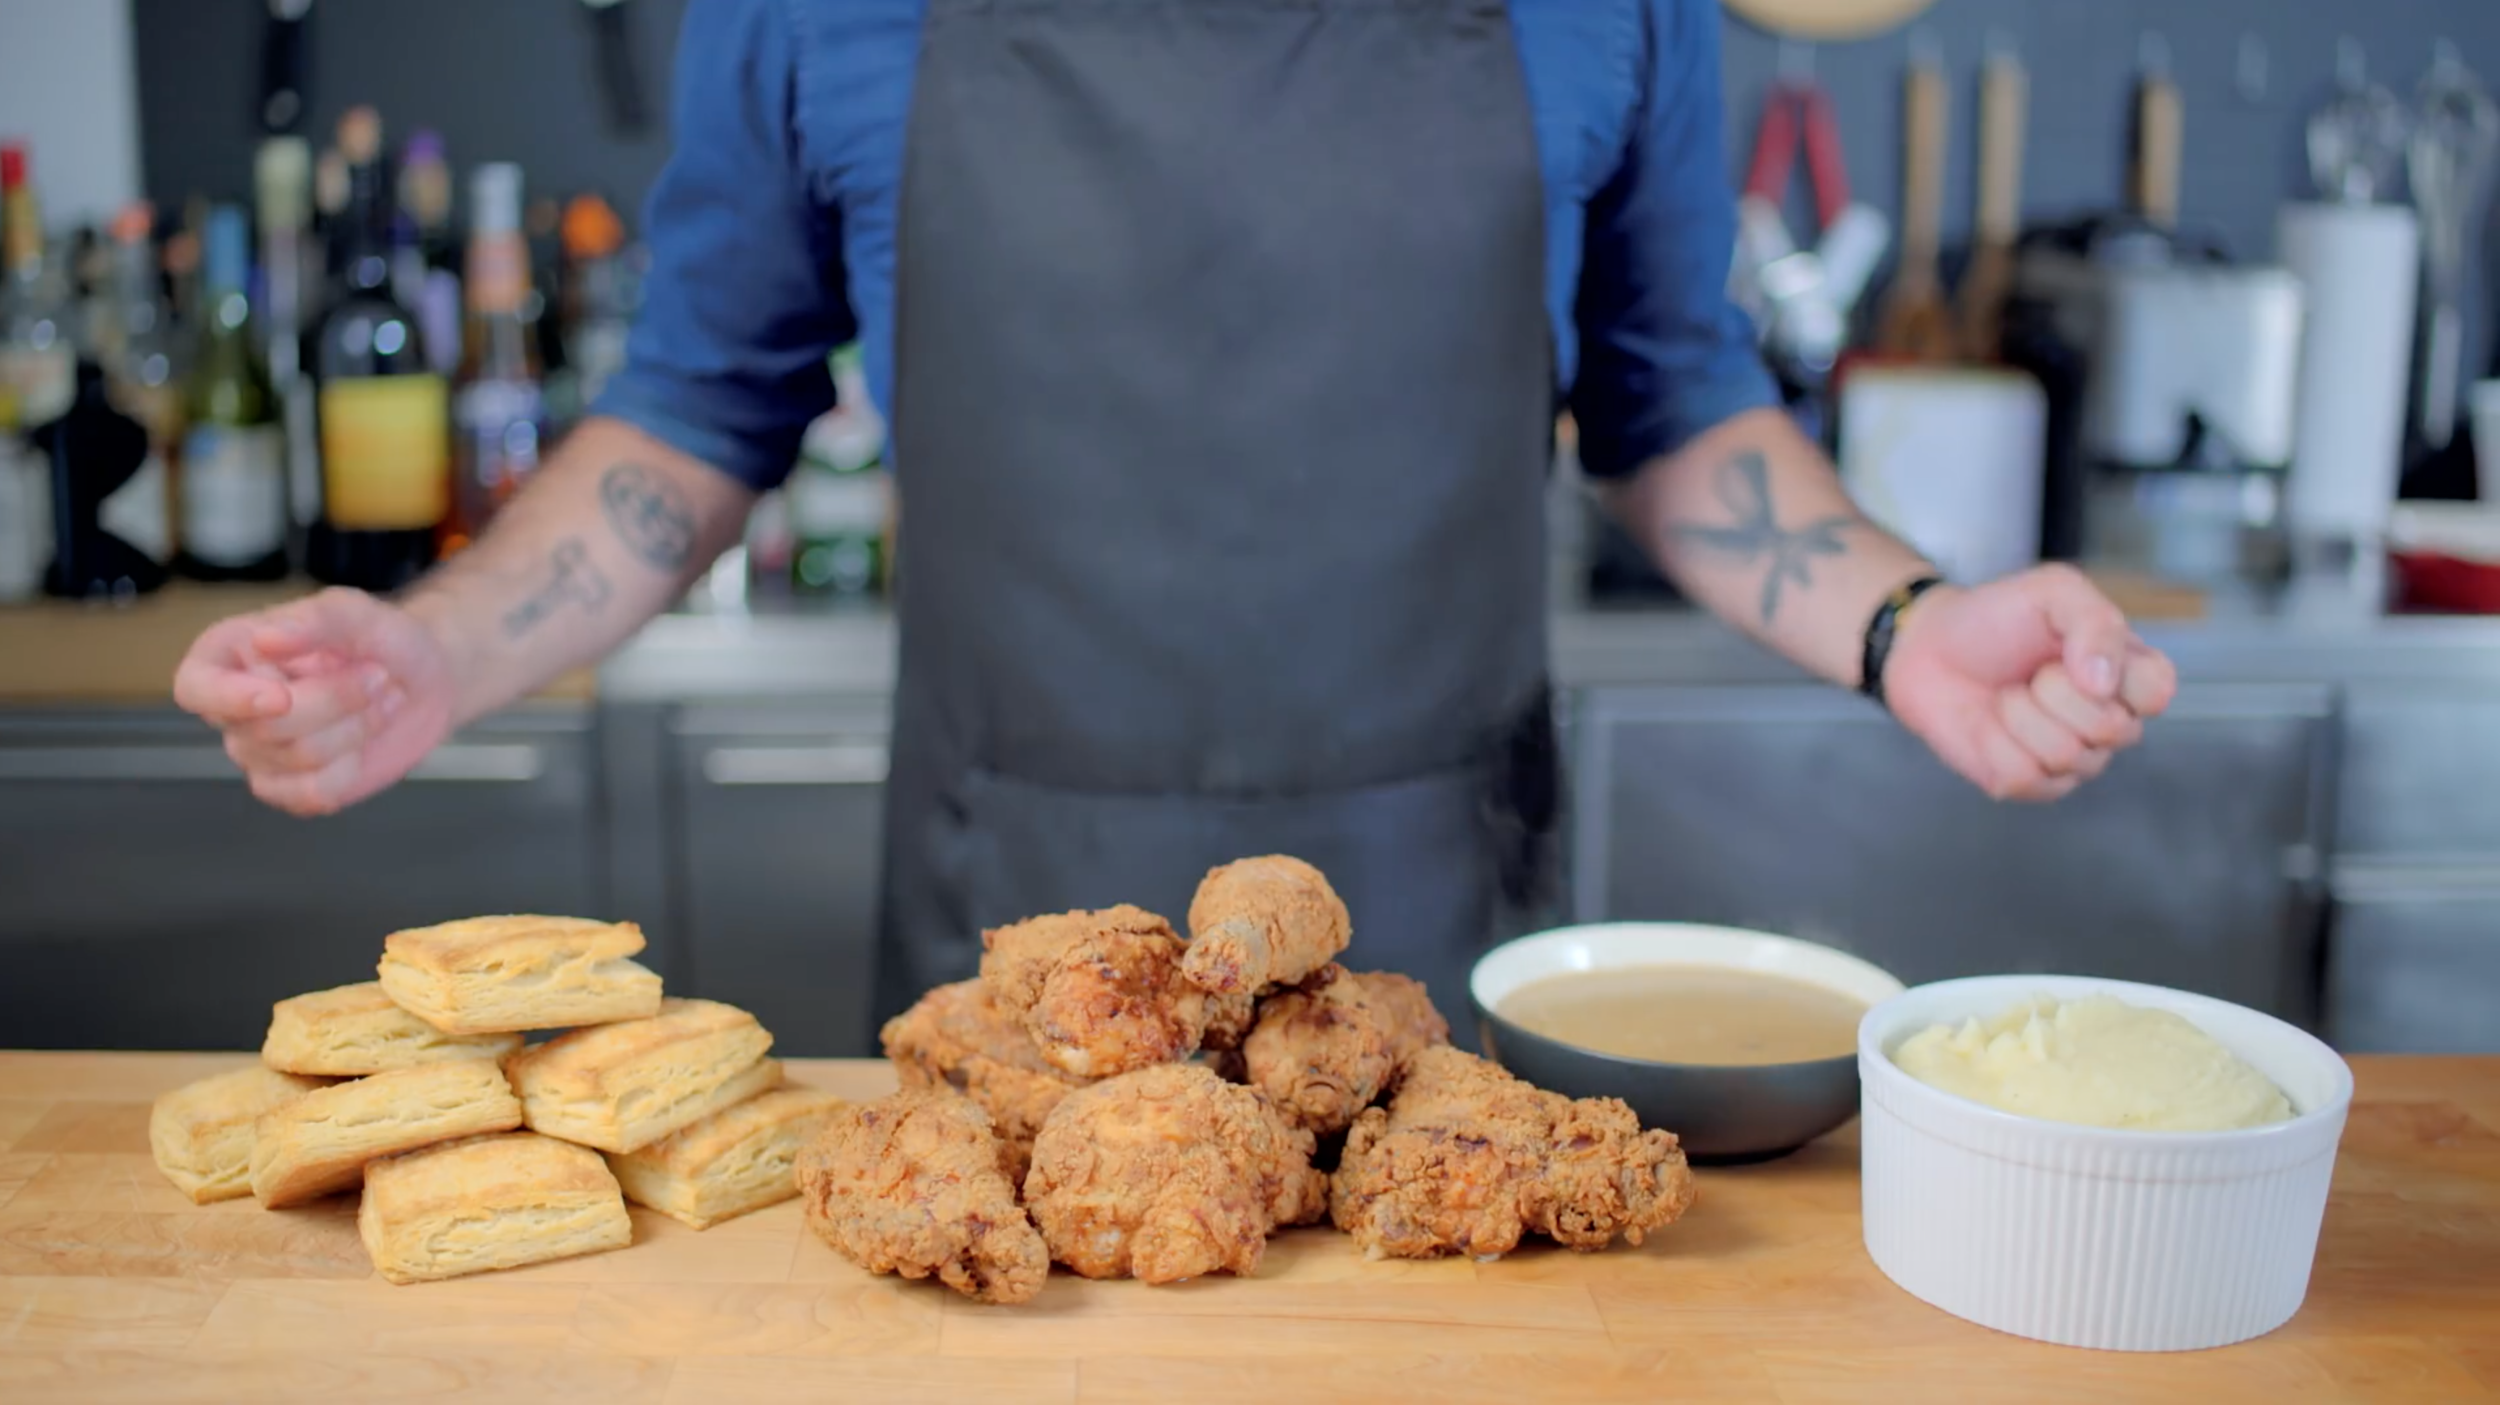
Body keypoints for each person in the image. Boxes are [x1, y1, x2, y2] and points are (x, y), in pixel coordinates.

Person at [174, 0, 2176, 1033]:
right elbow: (705, 402)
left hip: (1438, 960)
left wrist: (1909, 622)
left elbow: (1664, 393)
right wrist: (440, 646)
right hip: (1005, 955)